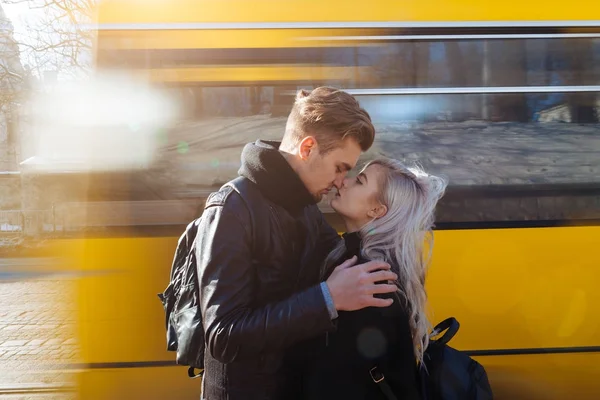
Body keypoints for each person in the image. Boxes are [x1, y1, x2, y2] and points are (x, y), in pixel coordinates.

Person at [196, 87, 399, 400]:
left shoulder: (304, 205)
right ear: (307, 148)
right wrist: (327, 298)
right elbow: (223, 335)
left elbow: (345, 262)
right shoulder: (231, 209)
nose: (341, 181)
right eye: (340, 167)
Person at [294, 158, 448, 400]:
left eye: (360, 181)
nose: (344, 182)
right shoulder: (359, 258)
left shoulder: (367, 276)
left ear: (376, 211)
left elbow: (339, 376)